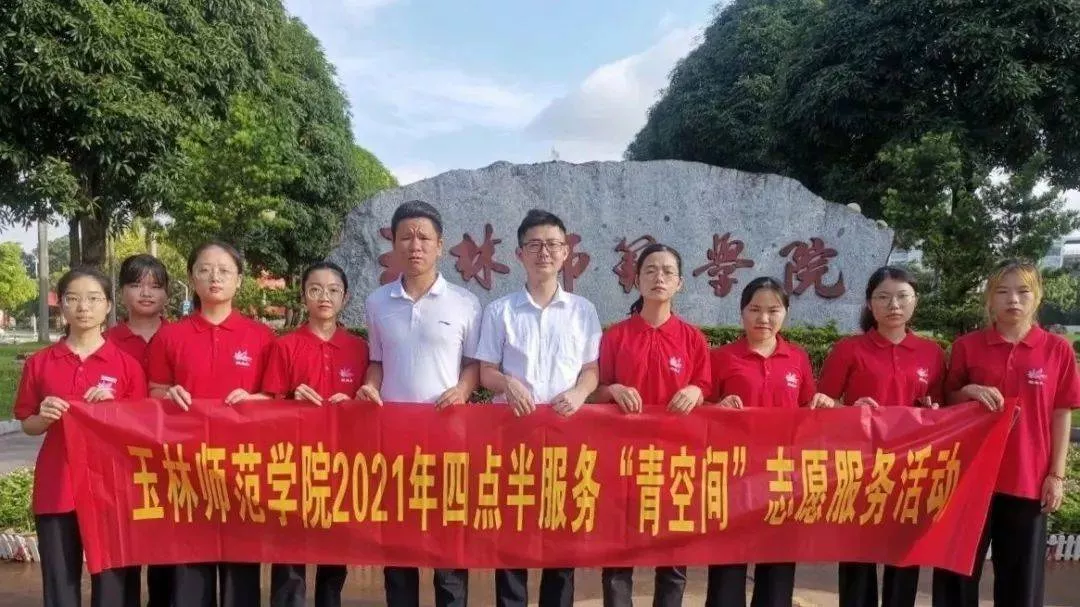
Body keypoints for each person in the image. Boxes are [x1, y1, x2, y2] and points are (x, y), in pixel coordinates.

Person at [931, 260, 1080, 607]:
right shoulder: (968, 346)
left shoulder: (1056, 350)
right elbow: (947, 400)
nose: (1013, 299)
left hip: (1027, 478)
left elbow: (1061, 413)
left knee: (1020, 581)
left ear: (1037, 296)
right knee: (956, 574)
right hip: (968, 477)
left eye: (1023, 291)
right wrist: (969, 391)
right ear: (990, 299)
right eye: (1002, 291)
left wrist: (1056, 475)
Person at [356, 200, 481, 607]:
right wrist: (370, 386)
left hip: (448, 439)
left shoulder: (465, 302)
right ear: (394, 244)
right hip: (393, 441)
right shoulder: (377, 303)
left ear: (440, 246)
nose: (415, 245)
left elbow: (474, 365)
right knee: (398, 545)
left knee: (449, 545)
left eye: (424, 237)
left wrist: (463, 390)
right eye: (406, 237)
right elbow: (377, 361)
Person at [475, 209, 602, 607]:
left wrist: (579, 393)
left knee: (560, 531)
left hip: (566, 436)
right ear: (519, 254)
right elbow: (486, 372)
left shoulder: (583, 310)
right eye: (534, 245)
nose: (543, 252)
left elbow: (591, 370)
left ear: (566, 252)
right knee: (512, 530)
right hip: (513, 436)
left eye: (552, 244)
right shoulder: (500, 310)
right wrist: (508, 384)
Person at [147, 241, 275, 607]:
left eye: (224, 270)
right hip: (186, 468)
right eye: (204, 270)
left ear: (239, 280)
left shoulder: (262, 337)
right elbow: (153, 390)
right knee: (190, 570)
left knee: (241, 571)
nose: (214, 277)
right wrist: (168, 394)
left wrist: (258, 400)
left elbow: (276, 399)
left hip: (243, 469)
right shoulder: (170, 336)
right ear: (192, 278)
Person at [15, 267, 147, 607]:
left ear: (108, 305)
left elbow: (141, 432)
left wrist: (115, 409)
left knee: (115, 584)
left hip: (112, 489)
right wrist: (43, 417)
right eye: (73, 298)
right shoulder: (41, 363)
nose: (83, 307)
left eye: (93, 299)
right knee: (60, 582)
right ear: (61, 304)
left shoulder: (126, 366)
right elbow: (27, 423)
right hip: (57, 486)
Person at [817, 266, 945, 607]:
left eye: (902, 296)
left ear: (915, 301)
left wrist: (933, 410)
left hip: (912, 469)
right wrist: (850, 408)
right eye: (883, 297)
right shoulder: (849, 350)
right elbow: (822, 404)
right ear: (869, 303)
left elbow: (943, 409)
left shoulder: (931, 353)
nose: (894, 305)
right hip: (859, 468)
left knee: (903, 557)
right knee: (857, 557)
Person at [592, 243, 711, 607]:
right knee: (619, 551)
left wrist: (696, 391)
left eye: (668, 271)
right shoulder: (616, 336)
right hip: (623, 459)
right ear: (637, 280)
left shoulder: (692, 338)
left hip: (676, 458)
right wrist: (613, 389)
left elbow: (707, 387)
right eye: (650, 270)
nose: (659, 277)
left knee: (673, 552)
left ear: (679, 283)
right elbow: (595, 391)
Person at [706, 276, 833, 607]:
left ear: (785, 313)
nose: (763, 318)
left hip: (783, 476)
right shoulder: (722, 357)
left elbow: (807, 407)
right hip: (734, 476)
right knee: (727, 567)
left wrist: (821, 404)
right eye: (755, 309)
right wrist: (716, 407)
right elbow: (701, 408)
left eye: (773, 310)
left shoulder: (797, 358)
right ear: (742, 312)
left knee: (777, 568)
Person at [263, 260, 368, 607]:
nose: (325, 297)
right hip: (293, 461)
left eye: (333, 290)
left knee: (334, 546)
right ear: (303, 295)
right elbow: (269, 405)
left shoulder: (358, 348)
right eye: (316, 289)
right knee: (289, 545)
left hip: (340, 461)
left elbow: (368, 403)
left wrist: (353, 403)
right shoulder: (286, 346)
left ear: (345, 298)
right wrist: (292, 399)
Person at [103, 254, 174, 607]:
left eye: (155, 286)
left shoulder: (181, 337)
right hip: (119, 460)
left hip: (172, 460)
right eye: (136, 285)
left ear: (167, 294)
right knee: (123, 546)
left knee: (169, 551)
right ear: (121, 292)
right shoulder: (104, 341)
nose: (146, 293)